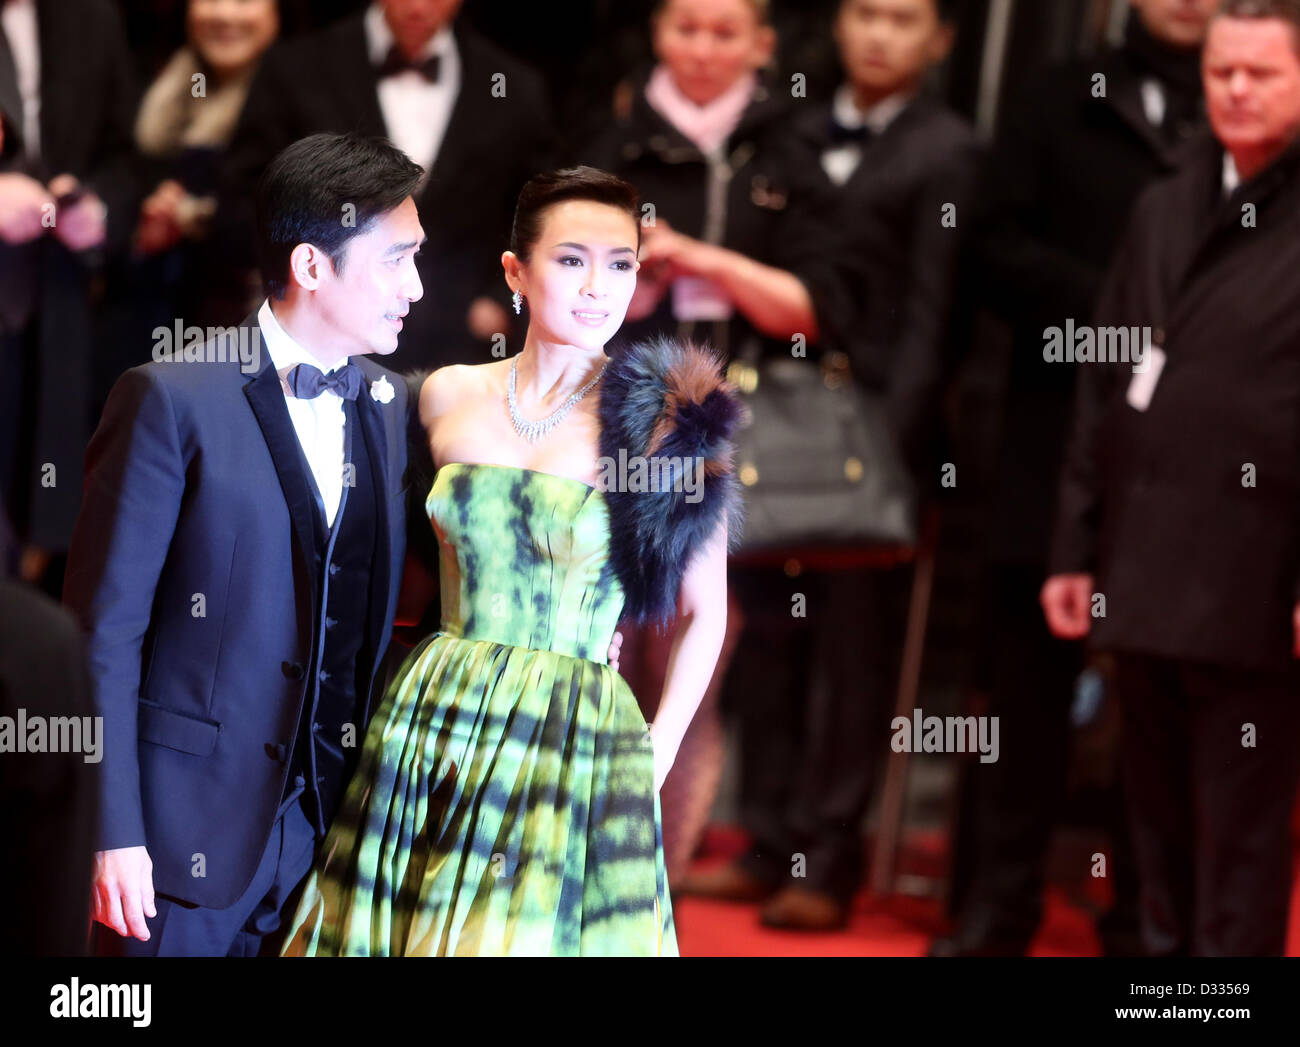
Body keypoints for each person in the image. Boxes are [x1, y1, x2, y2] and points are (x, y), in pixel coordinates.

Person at [280, 166, 743, 956]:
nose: (599, 287)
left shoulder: (670, 423)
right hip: (433, 716)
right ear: (516, 272)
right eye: (571, 260)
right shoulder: (443, 396)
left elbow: (706, 611)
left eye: (621, 264)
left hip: (571, 734)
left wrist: (654, 749)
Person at [65, 132, 424, 957]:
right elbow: (100, 633)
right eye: (396, 259)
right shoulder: (168, 397)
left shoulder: (389, 404)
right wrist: (110, 827)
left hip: (329, 838)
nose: (416, 286)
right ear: (311, 266)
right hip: (172, 839)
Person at [934, 0, 1218, 957]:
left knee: (1166, 698)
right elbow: (989, 249)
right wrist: (1125, 313)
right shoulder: (1057, 98)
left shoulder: (1252, 117)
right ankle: (994, 903)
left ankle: (1149, 919)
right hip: (1047, 433)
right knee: (1016, 694)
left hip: (1198, 459)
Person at [686, 0, 975, 932]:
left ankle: (827, 856)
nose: (880, 35)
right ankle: (764, 841)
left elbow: (937, 315)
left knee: (853, 659)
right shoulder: (792, 131)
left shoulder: (949, 151)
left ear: (941, 40)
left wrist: (889, 450)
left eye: (903, 18)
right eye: (864, 13)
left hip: (875, 431)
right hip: (774, 416)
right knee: (767, 635)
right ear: (837, 27)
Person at [578, 0, 860, 901]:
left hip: (729, 442)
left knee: (700, 660)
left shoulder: (792, 152)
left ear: (763, 44)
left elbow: (816, 308)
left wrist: (704, 259)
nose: (704, 47)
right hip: (607, 427)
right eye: (686, 26)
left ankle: (647, 893)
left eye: (725, 30)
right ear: (657, 32)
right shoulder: (609, 142)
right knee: (599, 652)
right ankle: (570, 882)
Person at [1042, 0, 1300, 957]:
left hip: (1260, 577)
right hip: (1145, 559)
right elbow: (1105, 381)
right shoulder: (1167, 196)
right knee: (1152, 827)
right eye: (1221, 72)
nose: (1234, 89)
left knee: (1240, 829)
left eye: (1261, 74)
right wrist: (1075, 543)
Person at [221, 0, 556, 372]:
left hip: (464, 344)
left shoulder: (514, 85)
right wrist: (301, 288)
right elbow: (246, 195)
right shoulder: (295, 68)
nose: (418, 5)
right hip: (321, 341)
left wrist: (503, 298)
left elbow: (535, 206)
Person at [0, 0, 136, 589]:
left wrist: (98, 206)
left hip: (54, 310)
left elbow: (126, 155)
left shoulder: (91, 16)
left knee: (43, 503)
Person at [97, 0, 282, 408]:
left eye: (245, 1)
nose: (225, 15)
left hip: (239, 333)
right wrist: (143, 223)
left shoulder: (302, 92)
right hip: (140, 325)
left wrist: (193, 218)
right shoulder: (151, 75)